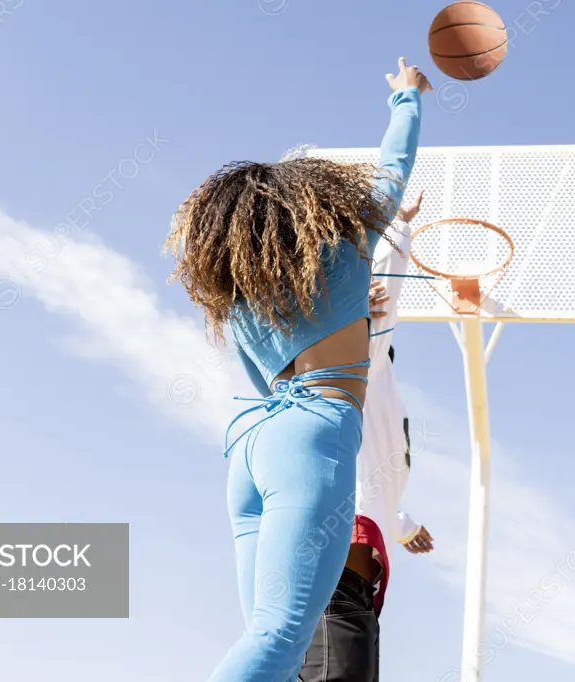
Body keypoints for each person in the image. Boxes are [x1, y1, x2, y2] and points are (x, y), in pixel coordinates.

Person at [165, 58, 432, 682]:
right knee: (280, 638)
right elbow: (395, 166)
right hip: (312, 431)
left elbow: (264, 384)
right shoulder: (349, 240)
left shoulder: (237, 297)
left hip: (253, 444)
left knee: (271, 646)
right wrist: (407, 97)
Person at [299, 191, 436, 682]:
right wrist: (399, 225)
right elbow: (384, 293)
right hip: (336, 587)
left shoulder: (371, 393)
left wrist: (401, 524)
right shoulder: (359, 364)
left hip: (349, 590)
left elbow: (369, 474)